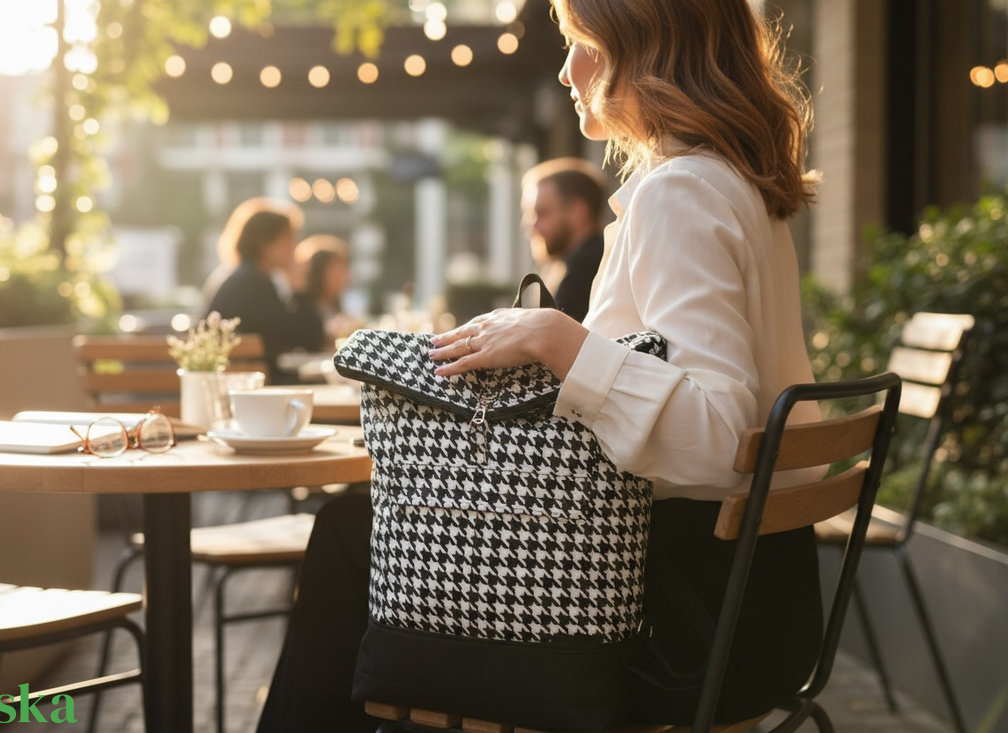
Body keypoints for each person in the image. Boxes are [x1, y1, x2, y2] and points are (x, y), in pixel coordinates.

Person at [257, 0, 822, 728]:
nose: (565, 68)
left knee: (350, 530)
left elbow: (717, 433)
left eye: (580, 42)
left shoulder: (680, 193)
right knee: (360, 528)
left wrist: (556, 337)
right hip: (758, 605)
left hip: (679, 627)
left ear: (641, 47)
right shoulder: (733, 186)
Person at [206, 202, 325, 384]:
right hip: (248, 384)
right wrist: (300, 290)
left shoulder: (245, 277)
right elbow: (307, 337)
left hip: (244, 380)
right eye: (289, 239)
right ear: (265, 243)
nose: (294, 248)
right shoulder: (251, 283)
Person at [521, 157, 609, 321]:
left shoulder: (584, 270)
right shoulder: (580, 262)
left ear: (577, 212)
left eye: (541, 213)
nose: (531, 226)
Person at [294, 234, 357, 347]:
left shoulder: (334, 307)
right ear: (317, 272)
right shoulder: (301, 309)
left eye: (343, 269)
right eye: (336, 270)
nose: (343, 277)